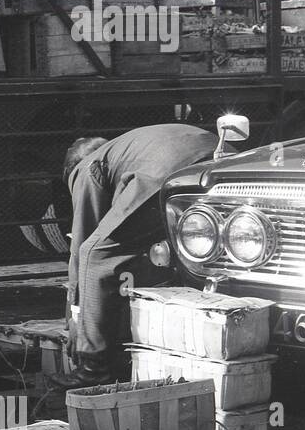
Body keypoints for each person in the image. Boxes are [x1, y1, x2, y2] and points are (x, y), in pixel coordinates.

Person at [54, 123, 218, 387]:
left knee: (95, 256)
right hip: (219, 155)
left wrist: (76, 316)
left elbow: (83, 246)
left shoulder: (87, 167)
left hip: (168, 169)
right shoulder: (128, 151)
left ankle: (93, 368)